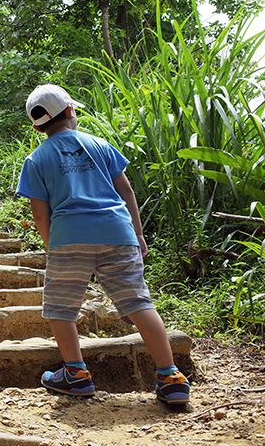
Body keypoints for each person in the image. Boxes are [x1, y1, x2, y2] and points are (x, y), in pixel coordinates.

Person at [15, 84, 190, 404]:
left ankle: (76, 374)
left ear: (38, 125)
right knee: (139, 303)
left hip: (69, 237)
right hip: (118, 234)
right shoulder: (100, 145)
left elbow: (40, 215)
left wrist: (54, 245)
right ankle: (170, 375)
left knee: (59, 307)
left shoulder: (36, 159)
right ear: (70, 112)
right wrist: (137, 235)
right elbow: (126, 193)